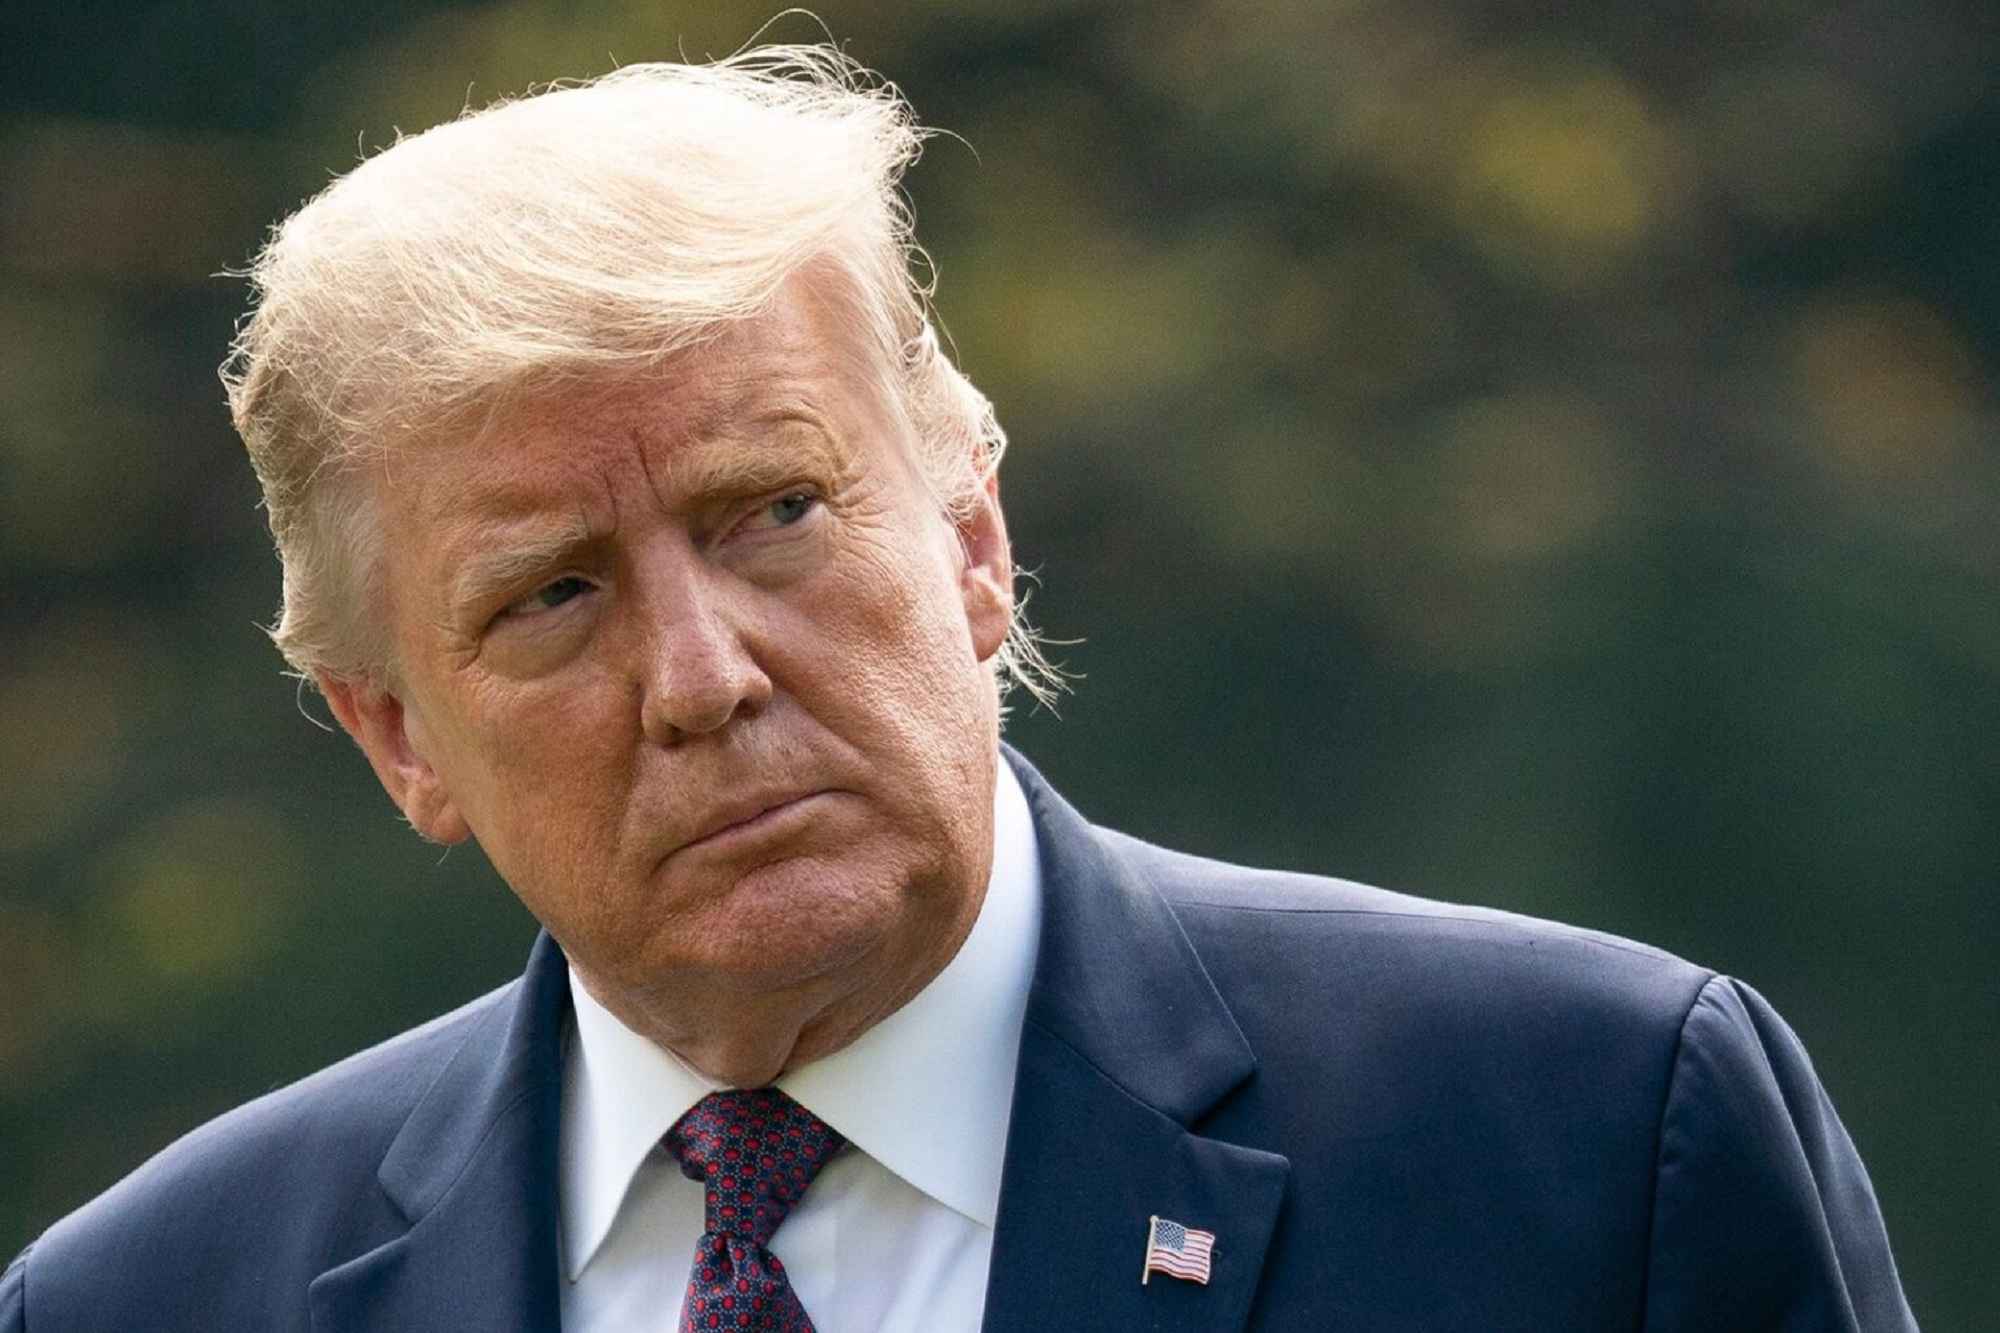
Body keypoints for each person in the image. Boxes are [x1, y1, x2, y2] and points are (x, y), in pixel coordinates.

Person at [2, 46, 1914, 1333]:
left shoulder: (1587, 1138)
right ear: (399, 735)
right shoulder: (145, 1302)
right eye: (553, 594)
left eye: (772, 512)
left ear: (974, 533)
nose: (702, 679)